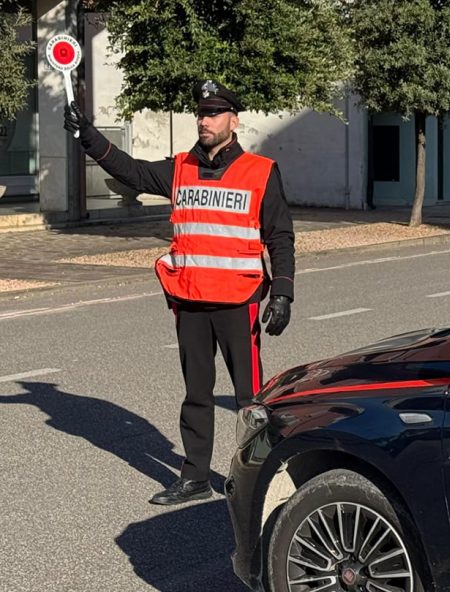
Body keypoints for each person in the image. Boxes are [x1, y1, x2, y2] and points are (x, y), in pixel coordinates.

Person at [63, 80, 295, 505]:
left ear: (233, 121)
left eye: (214, 114)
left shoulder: (260, 171)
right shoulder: (180, 168)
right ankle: (195, 478)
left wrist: (283, 291)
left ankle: (262, 480)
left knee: (249, 399)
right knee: (196, 395)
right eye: (201, 114)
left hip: (238, 301)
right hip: (190, 299)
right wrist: (88, 136)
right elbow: (131, 171)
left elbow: (280, 235)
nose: (205, 121)